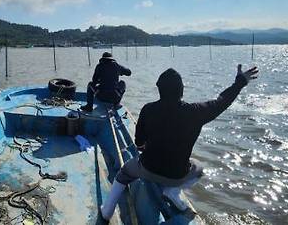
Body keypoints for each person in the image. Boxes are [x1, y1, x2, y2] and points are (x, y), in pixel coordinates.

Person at [100, 64, 259, 220]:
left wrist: (148, 147)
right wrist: (240, 82)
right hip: (177, 176)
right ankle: (173, 191)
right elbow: (222, 101)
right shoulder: (196, 112)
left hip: (148, 169)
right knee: (199, 168)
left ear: (159, 89)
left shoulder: (148, 109)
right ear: (182, 90)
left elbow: (139, 144)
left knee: (124, 173)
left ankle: (107, 212)